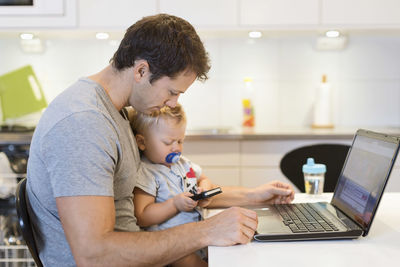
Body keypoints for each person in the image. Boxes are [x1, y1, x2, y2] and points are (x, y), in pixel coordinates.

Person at [26, 13, 295, 266]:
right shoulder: (82, 122)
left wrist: (253, 196)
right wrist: (205, 232)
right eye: (171, 92)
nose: (173, 103)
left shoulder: (117, 112)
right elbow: (95, 255)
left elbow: (175, 190)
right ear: (141, 71)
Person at [132, 104, 215, 267]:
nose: (176, 148)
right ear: (142, 142)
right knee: (185, 260)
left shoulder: (182, 164)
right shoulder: (146, 173)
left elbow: (204, 179)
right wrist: (175, 204)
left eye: (180, 141)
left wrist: (205, 191)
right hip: (173, 247)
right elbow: (142, 216)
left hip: (196, 238)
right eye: (168, 142)